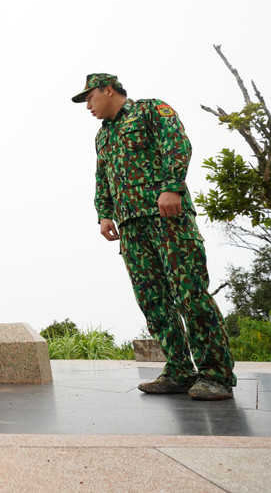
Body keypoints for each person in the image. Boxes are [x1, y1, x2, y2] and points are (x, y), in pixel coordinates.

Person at [72, 73, 236, 400]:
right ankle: (178, 370)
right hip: (132, 227)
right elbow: (102, 177)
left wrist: (172, 186)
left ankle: (216, 375)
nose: (87, 105)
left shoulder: (149, 110)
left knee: (189, 292)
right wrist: (104, 213)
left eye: (89, 97)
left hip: (168, 217)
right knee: (153, 301)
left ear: (108, 90)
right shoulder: (102, 136)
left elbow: (177, 144)